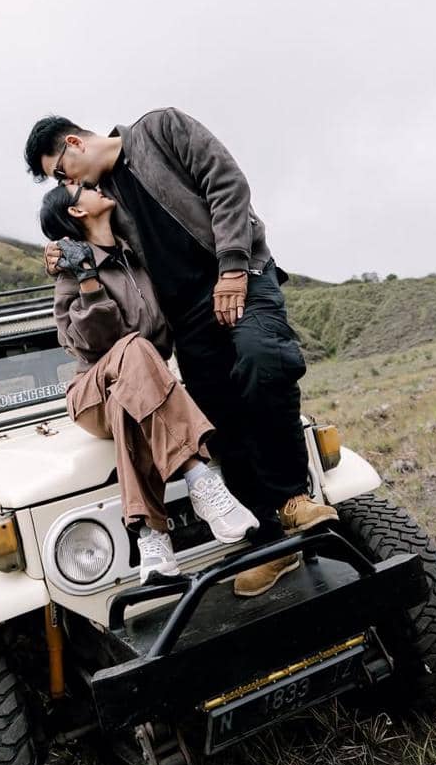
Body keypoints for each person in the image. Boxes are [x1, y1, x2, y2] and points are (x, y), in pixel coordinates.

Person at [25, 109, 338, 598]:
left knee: (263, 359)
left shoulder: (162, 130)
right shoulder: (105, 204)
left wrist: (232, 267)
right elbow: (91, 248)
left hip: (243, 277)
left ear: (74, 143)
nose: (68, 184)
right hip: (188, 318)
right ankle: (271, 544)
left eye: (62, 173)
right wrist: (62, 253)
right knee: (217, 416)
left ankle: (293, 500)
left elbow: (227, 183)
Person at [40, 179, 260, 587]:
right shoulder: (69, 273)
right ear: (76, 211)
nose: (95, 187)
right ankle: (199, 477)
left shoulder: (137, 256)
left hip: (137, 388)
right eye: (83, 189)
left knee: (132, 398)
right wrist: (87, 278)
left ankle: (152, 537)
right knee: (134, 351)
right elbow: (95, 345)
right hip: (91, 390)